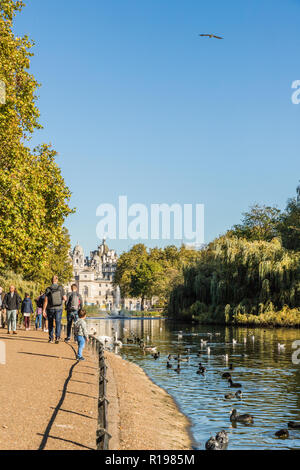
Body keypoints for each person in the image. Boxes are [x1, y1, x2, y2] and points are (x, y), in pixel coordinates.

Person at [43, 276, 66, 344]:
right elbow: (65, 298)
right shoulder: (60, 288)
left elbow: (46, 300)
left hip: (50, 308)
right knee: (58, 322)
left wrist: (44, 310)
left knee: (50, 323)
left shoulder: (48, 289)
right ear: (57, 280)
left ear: (51, 281)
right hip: (59, 308)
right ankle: (57, 337)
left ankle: (51, 338)